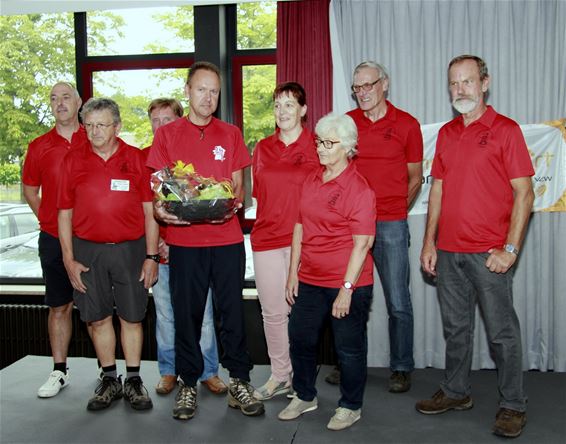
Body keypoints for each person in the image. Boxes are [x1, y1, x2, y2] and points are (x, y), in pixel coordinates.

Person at [416, 55, 534, 439]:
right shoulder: (448, 133)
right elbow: (437, 189)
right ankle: (455, 392)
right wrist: (429, 242)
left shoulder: (506, 130)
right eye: (454, 83)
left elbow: (525, 194)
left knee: (502, 333)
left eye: (467, 82)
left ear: (485, 83)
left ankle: (513, 404)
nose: (460, 90)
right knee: (456, 329)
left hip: (490, 254)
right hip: (448, 252)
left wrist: (511, 250)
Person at [147, 61, 264, 420]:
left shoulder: (230, 134)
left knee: (231, 312)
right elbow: (159, 189)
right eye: (201, 89)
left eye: (214, 91)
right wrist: (162, 210)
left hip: (227, 240)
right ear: (187, 90)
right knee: (187, 315)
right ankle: (187, 382)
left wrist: (229, 202)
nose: (208, 97)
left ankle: (240, 380)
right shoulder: (167, 135)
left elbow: (238, 187)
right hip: (184, 243)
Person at [58, 97, 158, 411]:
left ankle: (133, 380)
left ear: (117, 126)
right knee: (98, 318)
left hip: (130, 250)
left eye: (101, 125)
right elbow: (63, 214)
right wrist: (68, 259)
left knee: (131, 316)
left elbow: (150, 212)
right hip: (87, 252)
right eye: (88, 125)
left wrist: (151, 257)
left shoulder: (136, 159)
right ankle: (110, 379)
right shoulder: (73, 160)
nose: (94, 131)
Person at [278, 113, 376, 431]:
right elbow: (299, 227)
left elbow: (363, 244)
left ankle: (351, 405)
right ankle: (305, 395)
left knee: (347, 348)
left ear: (347, 147)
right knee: (300, 337)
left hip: (347, 281)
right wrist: (293, 273)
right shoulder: (311, 179)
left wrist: (346, 289)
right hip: (310, 278)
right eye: (319, 141)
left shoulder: (359, 190)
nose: (320, 148)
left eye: (328, 143)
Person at [333, 60, 423, 393]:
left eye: (368, 85)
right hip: (351, 228)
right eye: (357, 87)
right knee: (349, 296)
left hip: (390, 225)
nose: (362, 93)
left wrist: (397, 211)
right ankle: (348, 364)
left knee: (399, 300)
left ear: (384, 84)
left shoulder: (407, 124)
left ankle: (401, 367)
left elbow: (415, 178)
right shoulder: (347, 124)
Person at [144, 98, 227, 396]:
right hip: (162, 255)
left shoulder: (189, 165)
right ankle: (168, 371)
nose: (161, 126)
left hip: (191, 251)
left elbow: (204, 207)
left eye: (167, 120)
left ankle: (208, 370)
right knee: (165, 315)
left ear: (179, 122)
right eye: (155, 120)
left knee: (202, 315)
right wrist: (156, 249)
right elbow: (149, 213)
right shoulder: (149, 161)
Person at [250, 82, 319, 400]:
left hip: (304, 241)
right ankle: (281, 375)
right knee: (273, 313)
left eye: (290, 104)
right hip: (265, 238)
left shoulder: (318, 146)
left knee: (303, 313)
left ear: (303, 110)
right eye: (277, 105)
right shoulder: (262, 148)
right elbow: (260, 196)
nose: (282, 111)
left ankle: (303, 376)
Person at [22, 81, 90, 398]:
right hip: (51, 237)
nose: (59, 103)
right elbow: (29, 190)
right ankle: (59, 371)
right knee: (59, 306)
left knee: (96, 307)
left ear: (78, 102)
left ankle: (108, 373)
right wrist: (48, 218)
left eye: (65, 97)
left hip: (90, 237)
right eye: (53, 98)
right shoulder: (38, 146)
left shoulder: (92, 137)